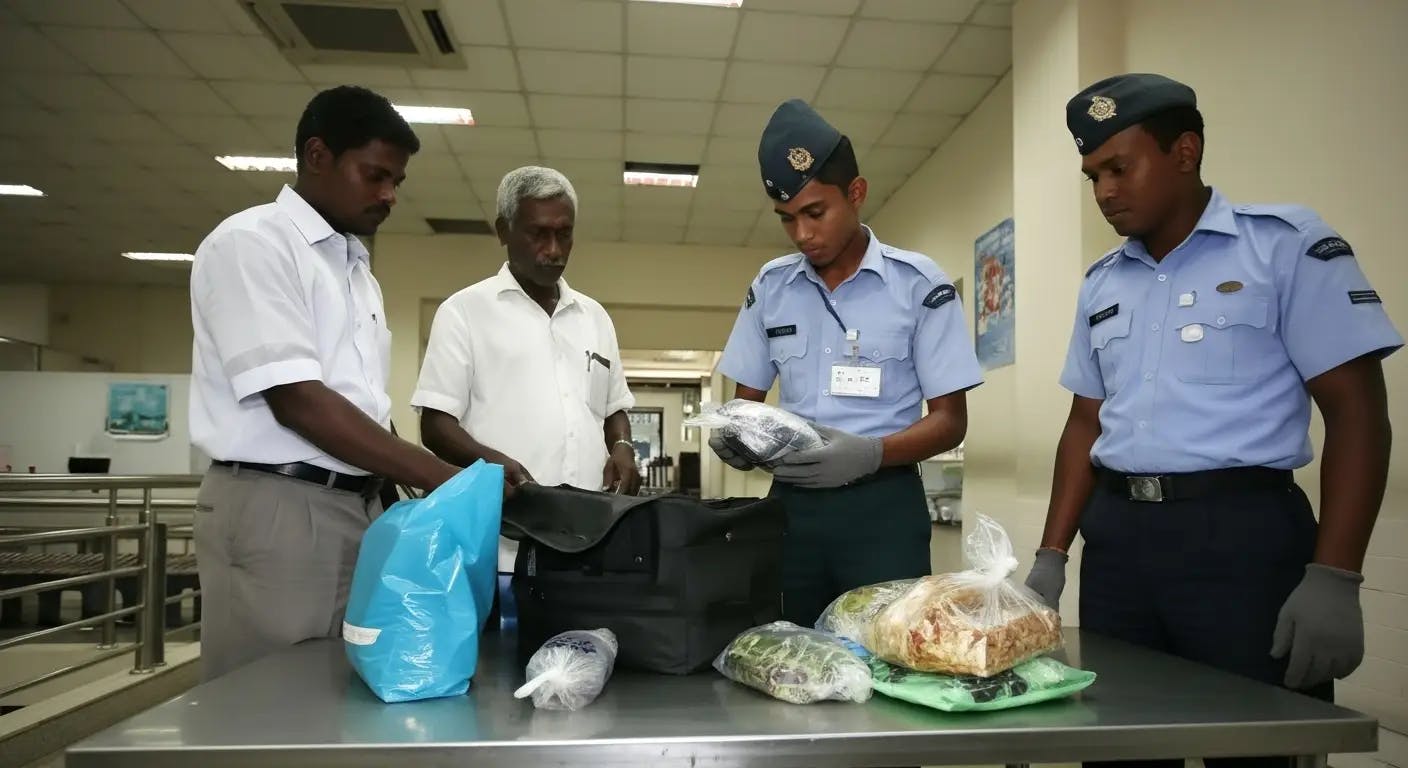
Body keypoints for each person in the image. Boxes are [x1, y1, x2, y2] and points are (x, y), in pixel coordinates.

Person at [1023, 74, 1401, 768]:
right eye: (1093, 176)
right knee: (1119, 748)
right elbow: (1084, 424)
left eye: (1119, 168)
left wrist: (1336, 575)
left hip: (1242, 543)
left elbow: (1358, 415)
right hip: (1119, 548)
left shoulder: (1283, 247)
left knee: (1256, 748)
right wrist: (1052, 555)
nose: (1104, 191)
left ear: (1185, 152)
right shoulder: (1102, 282)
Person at [189, 86, 461, 681]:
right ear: (317, 156)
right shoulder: (253, 244)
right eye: (375, 175)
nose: (389, 195)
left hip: (356, 507)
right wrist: (440, 475)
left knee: (340, 690)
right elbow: (299, 402)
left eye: (397, 181)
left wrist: (400, 488)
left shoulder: (356, 270)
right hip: (279, 507)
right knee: (267, 697)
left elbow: (362, 403)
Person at [712, 99, 983, 627]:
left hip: (883, 509)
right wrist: (736, 438)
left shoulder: (918, 285)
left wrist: (871, 454)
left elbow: (951, 421)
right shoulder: (772, 287)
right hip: (792, 510)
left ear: (856, 193)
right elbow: (745, 407)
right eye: (787, 219)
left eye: (815, 213)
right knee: (790, 651)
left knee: (887, 651)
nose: (802, 234)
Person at [412, 165, 640, 584]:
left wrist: (623, 447)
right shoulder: (464, 312)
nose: (554, 250)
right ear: (504, 230)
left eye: (564, 234)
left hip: (587, 539)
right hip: (501, 540)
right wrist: (495, 464)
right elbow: (436, 425)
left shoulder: (594, 317)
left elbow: (613, 408)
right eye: (539, 234)